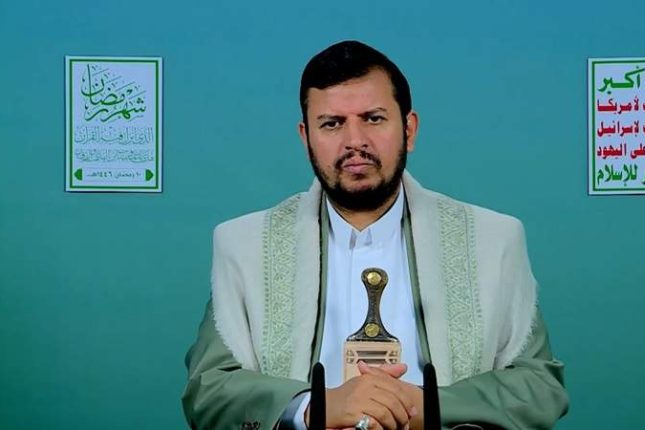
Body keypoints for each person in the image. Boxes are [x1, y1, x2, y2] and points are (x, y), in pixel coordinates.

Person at [182, 40, 569, 430]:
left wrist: (422, 405)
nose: (355, 141)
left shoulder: (492, 240)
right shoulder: (245, 245)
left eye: (373, 118)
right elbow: (209, 389)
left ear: (409, 129)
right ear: (306, 137)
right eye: (332, 123)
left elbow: (537, 386)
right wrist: (314, 408)